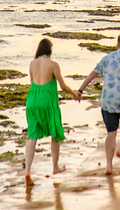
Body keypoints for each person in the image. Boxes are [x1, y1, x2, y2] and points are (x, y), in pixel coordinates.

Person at [77, 34, 120, 175]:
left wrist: (80, 90)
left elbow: (92, 75)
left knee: (111, 133)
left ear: (117, 45)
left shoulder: (106, 58)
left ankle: (108, 166)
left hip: (108, 100)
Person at [25, 37, 81, 185]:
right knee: (55, 132)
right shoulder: (53, 65)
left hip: (32, 99)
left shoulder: (32, 64)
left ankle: (27, 171)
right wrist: (75, 94)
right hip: (47, 101)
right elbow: (62, 85)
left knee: (32, 135)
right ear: (50, 50)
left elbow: (32, 83)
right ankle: (55, 167)